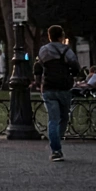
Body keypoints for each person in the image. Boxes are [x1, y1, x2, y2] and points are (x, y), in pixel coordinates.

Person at [34, 24, 78, 162]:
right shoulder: (67, 51)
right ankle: (56, 143)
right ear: (61, 36)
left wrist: (38, 81)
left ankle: (55, 149)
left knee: (52, 119)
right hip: (64, 88)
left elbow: (37, 67)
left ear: (49, 36)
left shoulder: (43, 51)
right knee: (63, 117)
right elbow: (75, 67)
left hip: (48, 88)